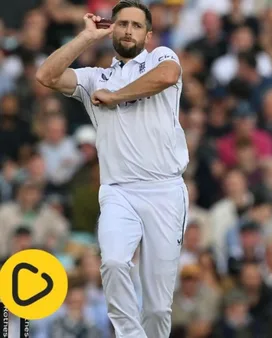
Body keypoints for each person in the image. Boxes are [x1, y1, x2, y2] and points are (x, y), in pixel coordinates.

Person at [36, 1, 189, 337]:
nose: (128, 31)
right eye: (122, 24)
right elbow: (45, 75)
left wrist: (116, 96)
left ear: (148, 35)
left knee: (158, 307)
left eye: (136, 25)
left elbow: (169, 77)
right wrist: (86, 37)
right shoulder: (95, 78)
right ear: (111, 30)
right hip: (119, 191)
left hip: (164, 190)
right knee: (116, 261)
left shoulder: (161, 57)